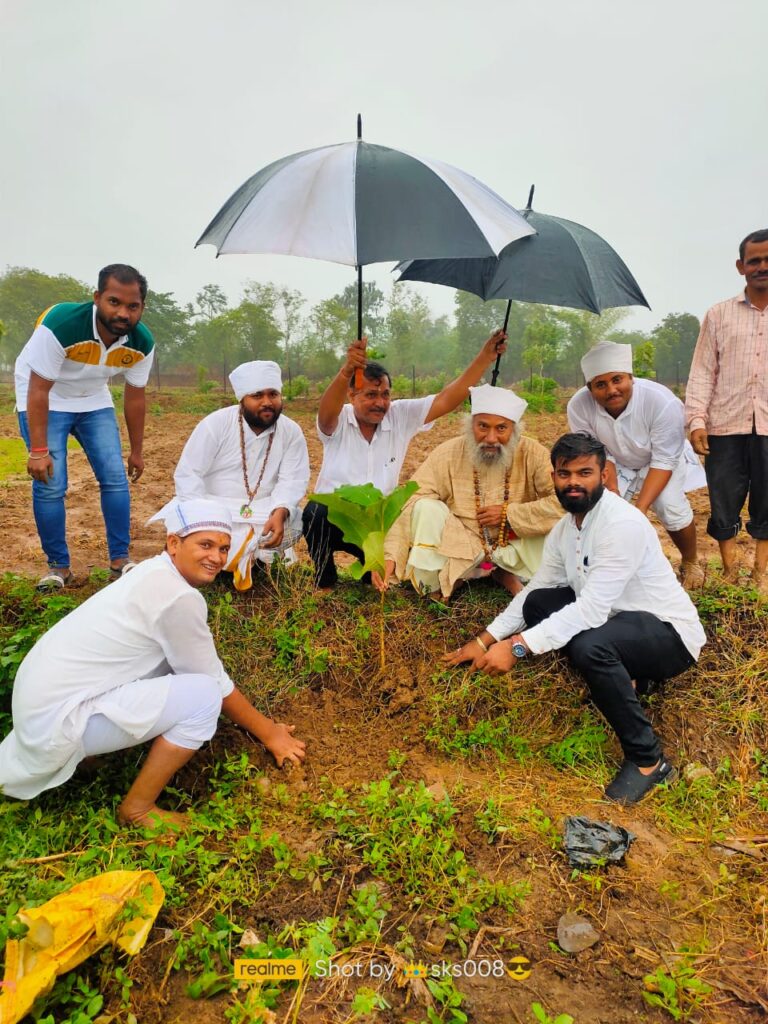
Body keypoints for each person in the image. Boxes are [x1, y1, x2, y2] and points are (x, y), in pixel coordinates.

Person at [0, 499, 306, 829]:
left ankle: (91, 755)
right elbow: (214, 683)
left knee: (173, 669)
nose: (217, 558)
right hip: (55, 724)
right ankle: (138, 809)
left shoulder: (152, 572)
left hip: (36, 710)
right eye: (205, 545)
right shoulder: (177, 597)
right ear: (173, 544)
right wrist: (271, 733)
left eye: (223, 548)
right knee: (203, 697)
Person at [443, 433, 706, 805]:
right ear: (554, 477)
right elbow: (538, 589)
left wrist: (517, 647)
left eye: (585, 473)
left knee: (590, 646)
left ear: (604, 475)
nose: (574, 483)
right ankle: (627, 678)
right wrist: (485, 639)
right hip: (619, 622)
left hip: (668, 634)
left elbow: (591, 610)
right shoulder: (566, 529)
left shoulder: (621, 524)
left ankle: (649, 760)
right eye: (565, 474)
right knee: (539, 603)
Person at [303, 331, 508, 589]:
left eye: (385, 394)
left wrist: (485, 357)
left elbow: (446, 399)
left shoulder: (399, 416)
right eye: (370, 395)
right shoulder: (338, 419)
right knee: (315, 512)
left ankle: (372, 571)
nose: (380, 403)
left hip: (380, 524)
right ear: (351, 395)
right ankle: (325, 581)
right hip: (339, 519)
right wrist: (346, 372)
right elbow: (325, 414)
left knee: (382, 576)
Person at [15, 264, 154, 590]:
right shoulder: (61, 325)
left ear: (142, 307)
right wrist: (38, 451)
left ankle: (120, 562)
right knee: (51, 483)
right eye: (114, 302)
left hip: (93, 398)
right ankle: (58, 569)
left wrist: (137, 451)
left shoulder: (141, 342)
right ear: (97, 298)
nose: (123, 313)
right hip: (44, 396)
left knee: (115, 478)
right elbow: (38, 390)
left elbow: (135, 397)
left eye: (132, 306)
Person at [374, 383, 562, 600]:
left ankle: (502, 573)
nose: (491, 438)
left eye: (501, 428)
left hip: (514, 543)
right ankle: (458, 576)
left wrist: (509, 514)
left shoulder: (533, 453)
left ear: (514, 429)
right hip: (462, 546)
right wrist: (390, 556)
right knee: (424, 507)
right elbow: (410, 499)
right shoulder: (449, 452)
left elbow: (561, 502)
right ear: (470, 425)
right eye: (483, 426)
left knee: (560, 523)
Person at [154, 360, 309, 590]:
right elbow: (189, 474)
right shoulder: (216, 424)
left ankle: (244, 560)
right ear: (242, 399)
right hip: (214, 508)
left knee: (295, 520)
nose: (267, 402)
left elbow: (293, 479)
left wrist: (280, 511)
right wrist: (205, 518)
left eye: (273, 394)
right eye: (257, 395)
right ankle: (233, 559)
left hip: (264, 513)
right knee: (186, 521)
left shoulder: (291, 431)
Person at [568, 341, 705, 589]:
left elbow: (664, 460)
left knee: (670, 506)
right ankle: (609, 566)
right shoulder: (578, 406)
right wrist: (612, 491)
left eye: (617, 380)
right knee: (600, 507)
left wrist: (639, 509)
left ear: (630, 377)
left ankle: (690, 560)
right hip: (614, 460)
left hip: (660, 459)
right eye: (601, 385)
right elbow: (594, 453)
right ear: (589, 388)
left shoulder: (661, 401)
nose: (611, 390)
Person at [685, 229, 768, 592]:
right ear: (740, 266)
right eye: (754, 260)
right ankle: (730, 571)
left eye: (767, 260)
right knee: (723, 500)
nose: (762, 266)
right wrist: (696, 420)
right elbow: (703, 371)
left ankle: (760, 574)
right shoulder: (719, 315)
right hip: (725, 424)